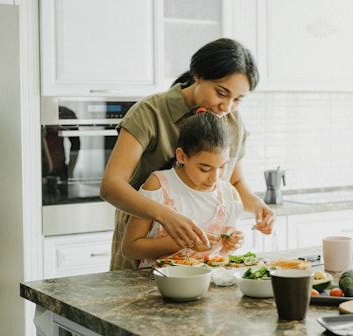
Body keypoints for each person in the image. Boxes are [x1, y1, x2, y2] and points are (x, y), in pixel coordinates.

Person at [100, 38, 275, 270]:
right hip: (144, 249)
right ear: (198, 76)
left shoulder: (232, 120)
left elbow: (234, 181)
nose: (227, 107)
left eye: (238, 100)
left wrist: (258, 206)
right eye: (221, 93)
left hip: (202, 263)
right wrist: (165, 216)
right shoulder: (150, 112)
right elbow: (111, 185)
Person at [122, 112, 244, 268]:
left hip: (208, 284)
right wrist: (183, 242)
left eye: (222, 167)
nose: (215, 178)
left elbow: (223, 253)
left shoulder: (228, 194)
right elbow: (130, 249)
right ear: (181, 156)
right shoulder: (159, 185)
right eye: (205, 169)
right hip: (158, 284)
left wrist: (233, 243)